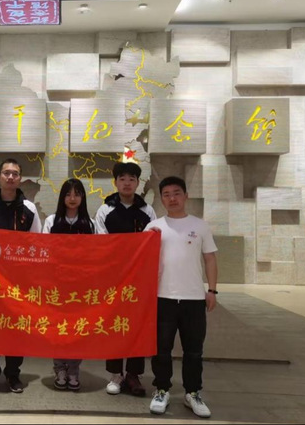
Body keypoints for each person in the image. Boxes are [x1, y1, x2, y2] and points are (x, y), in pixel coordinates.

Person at [144, 176, 218, 418]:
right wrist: (148, 240)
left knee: (194, 351)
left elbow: (210, 259)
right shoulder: (154, 227)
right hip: (162, 297)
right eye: (166, 194)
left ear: (185, 196)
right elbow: (141, 261)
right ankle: (161, 390)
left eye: (177, 193)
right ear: (161, 198)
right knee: (161, 350)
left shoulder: (200, 225)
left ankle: (192, 393)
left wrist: (212, 290)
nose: (172, 198)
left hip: (194, 299)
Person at [0, 158, 42, 394]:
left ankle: (13, 374)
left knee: (16, 328)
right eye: (6, 173)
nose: (10, 177)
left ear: (20, 178)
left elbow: (36, 243)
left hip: (19, 281)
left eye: (15, 173)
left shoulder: (29, 208)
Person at [95, 162, 157, 396]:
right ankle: (115, 374)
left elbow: (151, 243)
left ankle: (133, 374)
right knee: (114, 324)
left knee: (137, 325)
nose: (127, 183)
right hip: (113, 278)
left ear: (138, 183)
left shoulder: (148, 211)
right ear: (116, 182)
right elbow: (102, 244)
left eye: (132, 179)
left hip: (139, 278)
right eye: (122, 179)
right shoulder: (105, 210)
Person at [42, 178, 95, 391]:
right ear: (62, 197)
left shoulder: (90, 224)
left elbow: (99, 253)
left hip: (81, 287)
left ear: (82, 197)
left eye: (77, 194)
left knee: (77, 330)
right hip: (57, 286)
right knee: (58, 329)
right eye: (68, 194)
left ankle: (73, 369)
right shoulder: (52, 221)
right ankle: (60, 369)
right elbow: (45, 251)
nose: (72, 198)